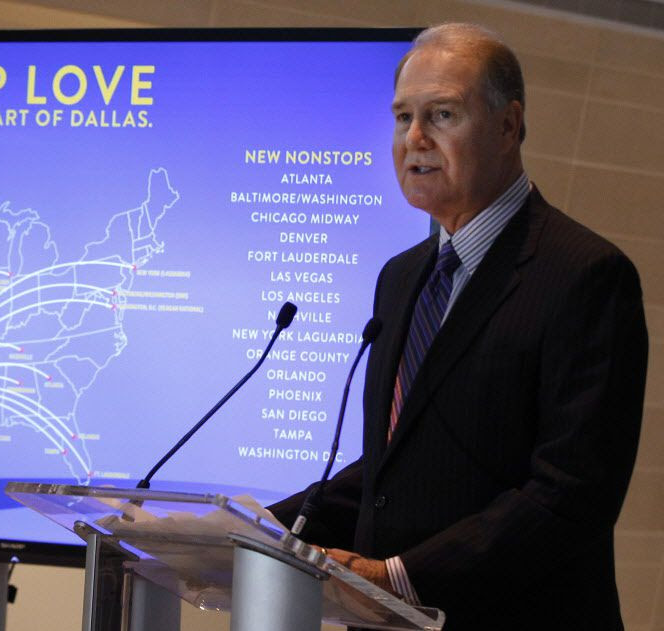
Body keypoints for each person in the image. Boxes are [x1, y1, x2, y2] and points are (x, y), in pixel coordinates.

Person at [268, 23, 647, 630]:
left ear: (507, 125)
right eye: (401, 118)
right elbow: (393, 468)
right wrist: (256, 530)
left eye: (441, 114)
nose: (414, 139)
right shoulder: (402, 275)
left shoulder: (586, 275)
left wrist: (400, 577)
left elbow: (571, 494)